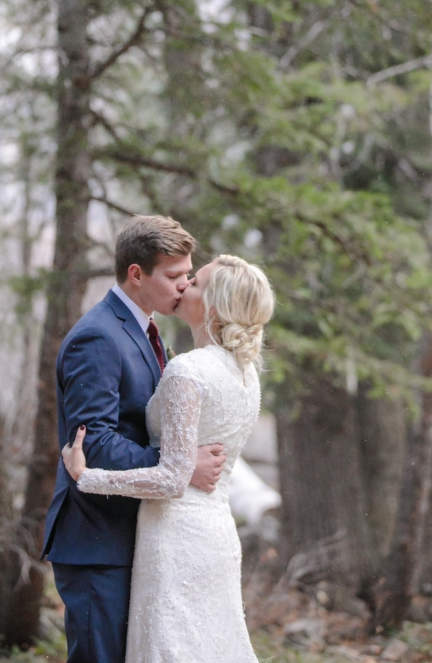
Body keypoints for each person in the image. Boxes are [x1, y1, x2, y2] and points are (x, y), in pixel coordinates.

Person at [62, 253, 275, 663]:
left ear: (213, 305)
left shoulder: (188, 371)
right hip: (216, 533)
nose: (184, 286)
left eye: (194, 282)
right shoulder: (246, 374)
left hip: (175, 533)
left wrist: (87, 476)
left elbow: (171, 480)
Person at [43, 215, 227, 663]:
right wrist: (180, 466)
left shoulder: (147, 330)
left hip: (130, 535)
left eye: (188, 275)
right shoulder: (97, 337)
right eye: (173, 276)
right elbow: (95, 444)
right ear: (136, 273)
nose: (183, 286)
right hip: (96, 540)